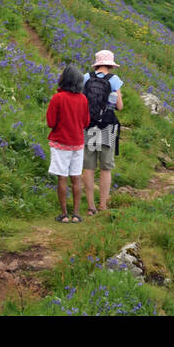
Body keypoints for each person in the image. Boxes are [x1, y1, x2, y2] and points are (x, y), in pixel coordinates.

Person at [82, 50, 124, 216]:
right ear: (111, 65)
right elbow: (119, 107)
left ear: (97, 64)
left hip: (88, 126)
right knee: (105, 168)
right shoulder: (114, 80)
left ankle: (90, 206)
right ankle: (103, 205)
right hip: (107, 127)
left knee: (89, 167)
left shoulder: (86, 77)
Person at [46, 65, 90, 223]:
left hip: (60, 143)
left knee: (62, 179)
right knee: (76, 178)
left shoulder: (57, 98)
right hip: (77, 143)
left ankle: (64, 215)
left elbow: (51, 122)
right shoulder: (83, 99)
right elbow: (86, 122)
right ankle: (76, 214)